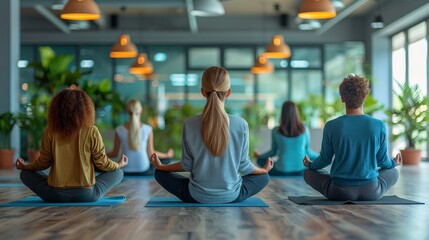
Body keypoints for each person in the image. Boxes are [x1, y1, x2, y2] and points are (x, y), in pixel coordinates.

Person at [150, 66, 274, 204]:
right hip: (232, 195)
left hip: (196, 195)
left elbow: (187, 165)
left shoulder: (190, 123)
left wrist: (162, 167)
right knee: (264, 177)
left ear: (203, 92)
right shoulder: (241, 124)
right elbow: (244, 166)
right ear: (228, 92)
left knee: (159, 174)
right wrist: (263, 170)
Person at [15, 88, 128, 202]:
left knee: (25, 174)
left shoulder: (50, 131)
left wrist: (27, 166)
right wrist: (119, 164)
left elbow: (44, 162)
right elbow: (102, 163)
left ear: (56, 110)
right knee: (118, 173)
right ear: (85, 109)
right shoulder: (92, 131)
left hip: (55, 195)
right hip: (86, 195)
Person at [303, 74, 402, 201]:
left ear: (342, 98)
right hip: (371, 191)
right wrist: (394, 162)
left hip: (339, 191)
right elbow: (383, 161)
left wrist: (310, 165)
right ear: (365, 97)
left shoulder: (331, 126)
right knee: (393, 172)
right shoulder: (379, 125)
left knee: (307, 173)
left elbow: (325, 160)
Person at [107, 99, 174, 175]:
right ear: (141, 110)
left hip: (124, 169)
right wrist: (167, 155)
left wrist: (98, 156)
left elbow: (114, 153)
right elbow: (151, 153)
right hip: (143, 169)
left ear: (127, 111)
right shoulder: (148, 129)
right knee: (166, 160)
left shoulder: (119, 129)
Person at [254, 101, 319, 176]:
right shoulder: (304, 129)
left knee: (260, 160)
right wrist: (320, 156)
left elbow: (273, 152)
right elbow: (307, 152)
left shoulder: (276, 130)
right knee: (315, 161)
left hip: (282, 170)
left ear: (282, 114)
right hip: (300, 170)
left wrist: (259, 156)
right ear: (296, 113)